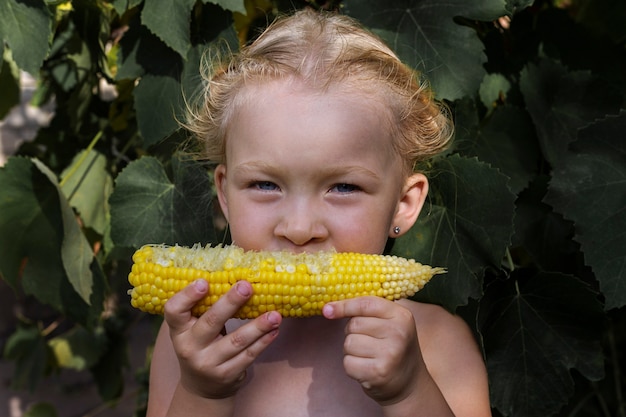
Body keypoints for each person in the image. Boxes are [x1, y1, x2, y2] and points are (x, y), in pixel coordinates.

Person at [146, 8, 491, 417]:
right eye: (264, 185)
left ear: (404, 203)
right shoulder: (190, 342)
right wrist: (203, 394)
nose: (298, 228)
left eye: (344, 187)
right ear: (225, 193)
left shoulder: (437, 343)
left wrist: (409, 393)